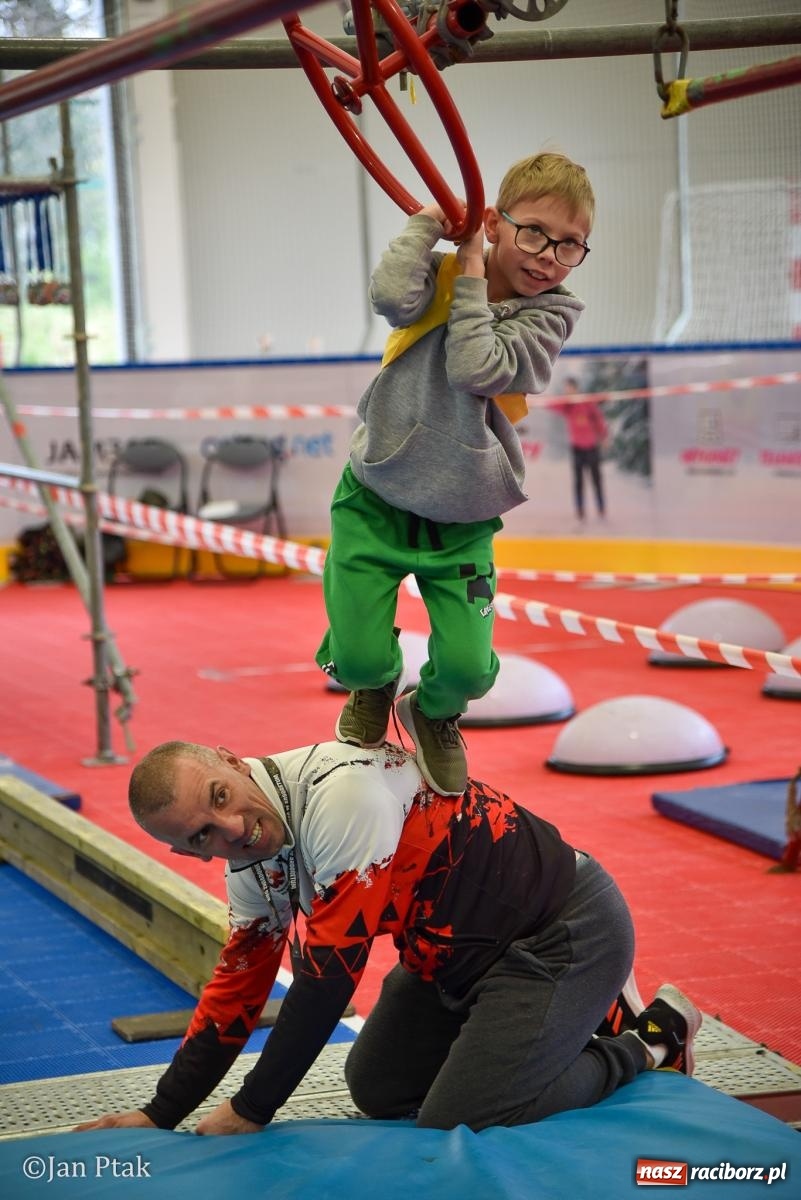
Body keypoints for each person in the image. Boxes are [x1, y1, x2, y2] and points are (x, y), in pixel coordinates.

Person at [75, 739, 701, 1137]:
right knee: (377, 1088)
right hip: (450, 961)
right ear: (189, 852)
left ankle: (648, 1040)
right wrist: (161, 1113)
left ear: (232, 761)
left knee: (463, 1119)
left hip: (559, 931)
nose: (233, 829)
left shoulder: (340, 794)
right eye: (202, 835)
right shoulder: (250, 865)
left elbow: (327, 981)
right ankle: (556, 1028)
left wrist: (251, 1108)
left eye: (221, 797)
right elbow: (236, 991)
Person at [315, 152, 593, 798]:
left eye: (569, 245)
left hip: (463, 515)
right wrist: (427, 224)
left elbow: (476, 367)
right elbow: (389, 297)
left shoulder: (552, 313)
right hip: (377, 494)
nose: (548, 257)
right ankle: (373, 683)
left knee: (469, 669)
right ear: (492, 223)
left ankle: (433, 713)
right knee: (354, 656)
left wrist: (470, 274)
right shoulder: (438, 272)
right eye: (534, 233)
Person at [549, 375, 608, 526]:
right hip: (577, 449)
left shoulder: (587, 403)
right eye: (566, 388)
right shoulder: (567, 405)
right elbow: (552, 405)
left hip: (592, 448)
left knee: (596, 480)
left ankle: (601, 508)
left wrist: (604, 437)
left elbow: (599, 420)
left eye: (569, 388)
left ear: (575, 388)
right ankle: (580, 510)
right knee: (578, 482)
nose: (567, 391)